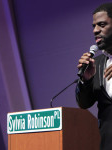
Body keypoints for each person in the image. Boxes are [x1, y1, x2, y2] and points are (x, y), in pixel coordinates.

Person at [76, 3, 112, 150]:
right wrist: (86, 79)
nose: (96, 30)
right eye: (94, 26)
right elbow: (84, 103)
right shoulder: (95, 64)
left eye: (102, 25)